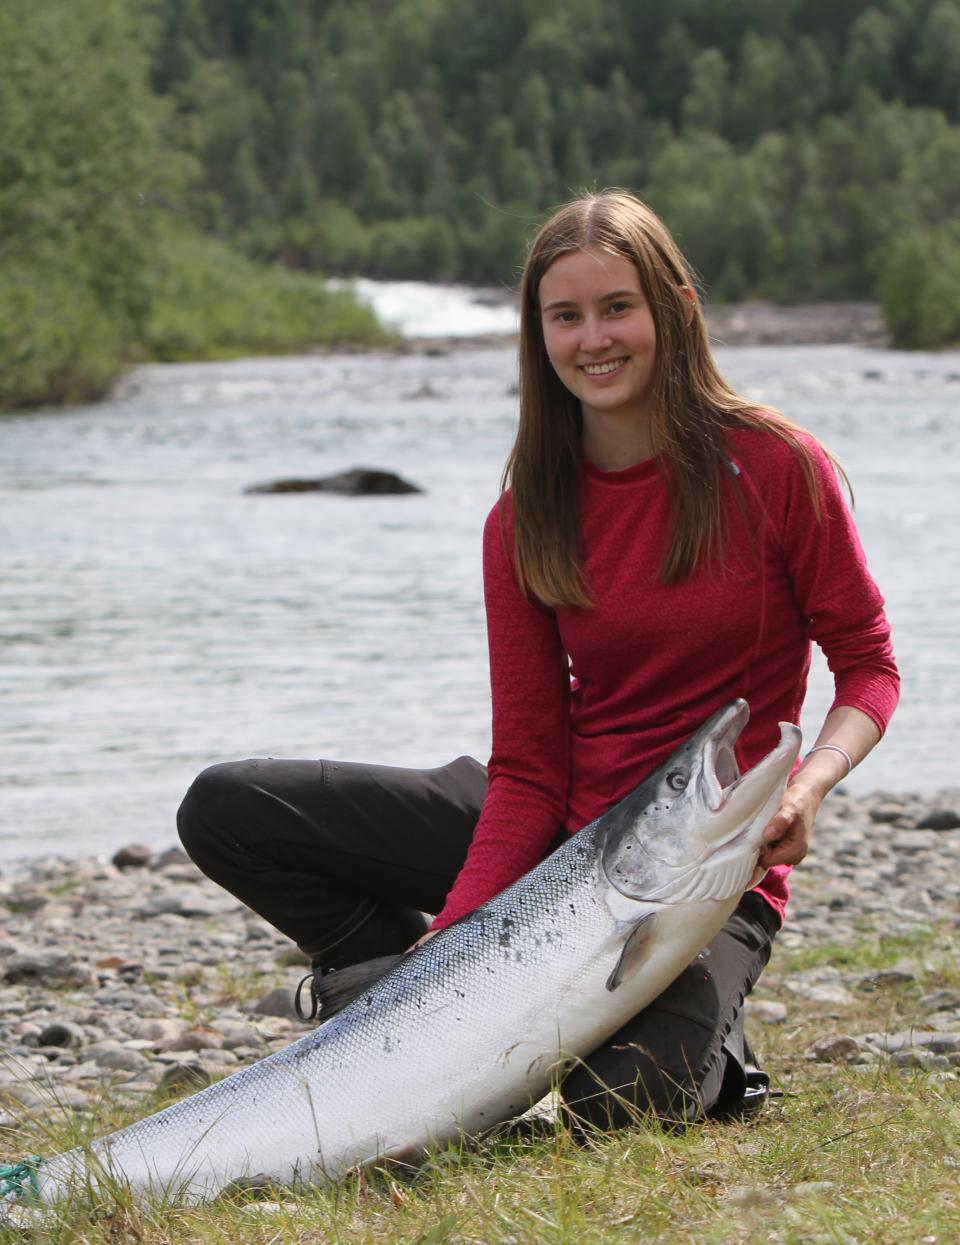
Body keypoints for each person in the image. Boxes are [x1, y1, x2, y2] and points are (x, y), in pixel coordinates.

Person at [177, 190, 899, 1128]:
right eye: (567, 316)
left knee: (619, 1105)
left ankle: (713, 1045)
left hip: (702, 870)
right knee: (231, 811)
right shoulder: (525, 518)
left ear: (673, 308)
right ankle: (381, 990)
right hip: (554, 834)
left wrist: (806, 787)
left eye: (617, 308)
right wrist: (449, 954)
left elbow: (869, 666)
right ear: (539, 334)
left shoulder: (776, 468)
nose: (594, 339)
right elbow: (525, 765)